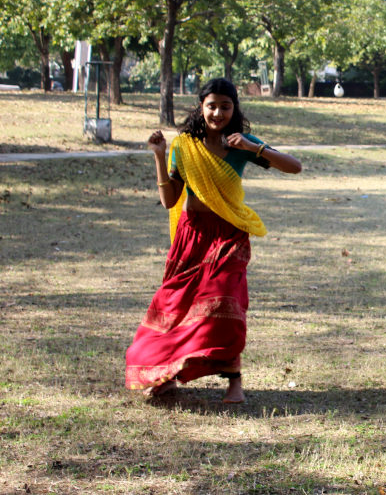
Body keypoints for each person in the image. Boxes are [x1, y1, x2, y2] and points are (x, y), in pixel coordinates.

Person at [125, 78, 302, 403]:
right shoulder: (185, 145)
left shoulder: (242, 143)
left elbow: (294, 167)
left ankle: (234, 382)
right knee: (177, 306)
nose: (218, 112)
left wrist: (252, 148)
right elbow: (169, 200)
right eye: (212, 106)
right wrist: (160, 156)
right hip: (192, 234)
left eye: (225, 106)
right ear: (201, 107)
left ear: (235, 109)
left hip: (229, 235)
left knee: (225, 304)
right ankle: (167, 376)